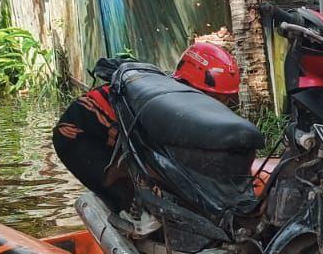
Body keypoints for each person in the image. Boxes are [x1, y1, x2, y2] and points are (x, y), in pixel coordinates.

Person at [52, 41, 240, 212]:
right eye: (216, 99)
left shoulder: (184, 100)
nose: (220, 106)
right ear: (193, 87)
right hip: (79, 133)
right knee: (128, 192)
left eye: (225, 100)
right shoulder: (167, 106)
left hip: (121, 130)